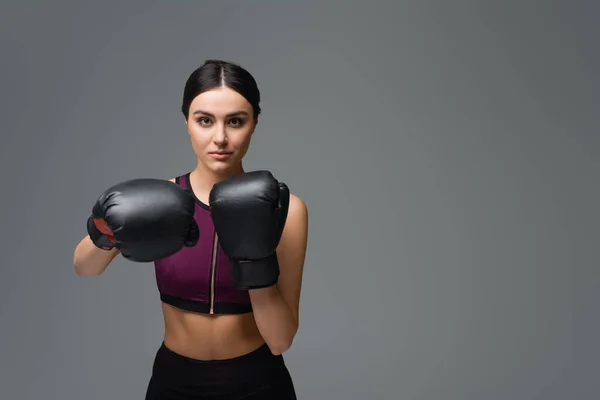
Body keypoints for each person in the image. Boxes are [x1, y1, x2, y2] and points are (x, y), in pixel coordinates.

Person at [73, 59, 309, 399]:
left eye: (236, 121)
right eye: (204, 120)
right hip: (175, 381)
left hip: (258, 381)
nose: (220, 138)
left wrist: (254, 260)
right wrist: (106, 224)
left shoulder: (285, 209)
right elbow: (84, 267)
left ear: (254, 123)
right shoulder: (160, 199)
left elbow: (280, 340)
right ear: (186, 122)